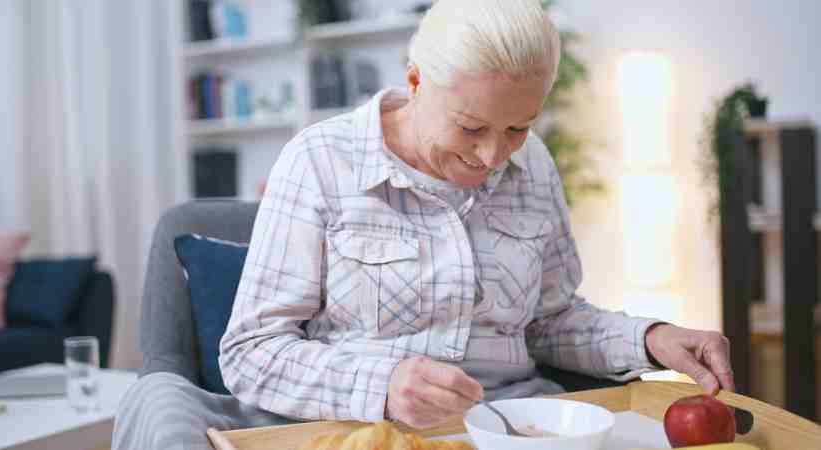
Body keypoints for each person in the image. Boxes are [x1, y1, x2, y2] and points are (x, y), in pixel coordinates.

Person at [219, 0, 734, 430]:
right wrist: (382, 386)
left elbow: (548, 323)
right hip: (369, 434)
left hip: (519, 426)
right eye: (470, 127)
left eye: (517, 128)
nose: (492, 157)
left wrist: (650, 338)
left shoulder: (533, 165)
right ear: (416, 82)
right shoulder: (320, 161)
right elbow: (251, 352)